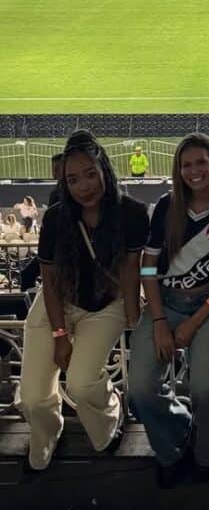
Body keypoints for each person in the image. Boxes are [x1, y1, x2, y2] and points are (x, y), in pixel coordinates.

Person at [17, 130, 149, 472]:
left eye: (90, 174)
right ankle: (47, 430)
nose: (84, 186)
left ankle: (110, 416)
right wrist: (60, 334)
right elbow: (49, 278)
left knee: (81, 382)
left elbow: (131, 271)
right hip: (59, 300)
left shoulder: (132, 212)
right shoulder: (57, 217)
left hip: (108, 304)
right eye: (73, 179)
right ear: (65, 183)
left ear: (104, 168)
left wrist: (136, 320)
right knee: (31, 396)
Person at [128, 134, 209, 487]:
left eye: (200, 162)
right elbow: (148, 267)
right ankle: (173, 441)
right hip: (166, 302)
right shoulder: (167, 206)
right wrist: (160, 318)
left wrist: (196, 320)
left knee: (205, 388)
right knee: (140, 390)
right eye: (186, 164)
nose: (193, 171)